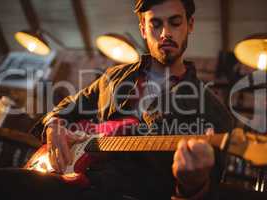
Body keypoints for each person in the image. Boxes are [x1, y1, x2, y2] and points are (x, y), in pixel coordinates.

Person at [31, 0, 234, 199]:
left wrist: (193, 186)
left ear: (190, 25)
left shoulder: (214, 114)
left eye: (175, 22)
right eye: (155, 24)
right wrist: (54, 124)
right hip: (59, 179)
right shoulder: (114, 75)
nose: (165, 33)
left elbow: (212, 193)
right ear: (143, 30)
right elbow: (69, 106)